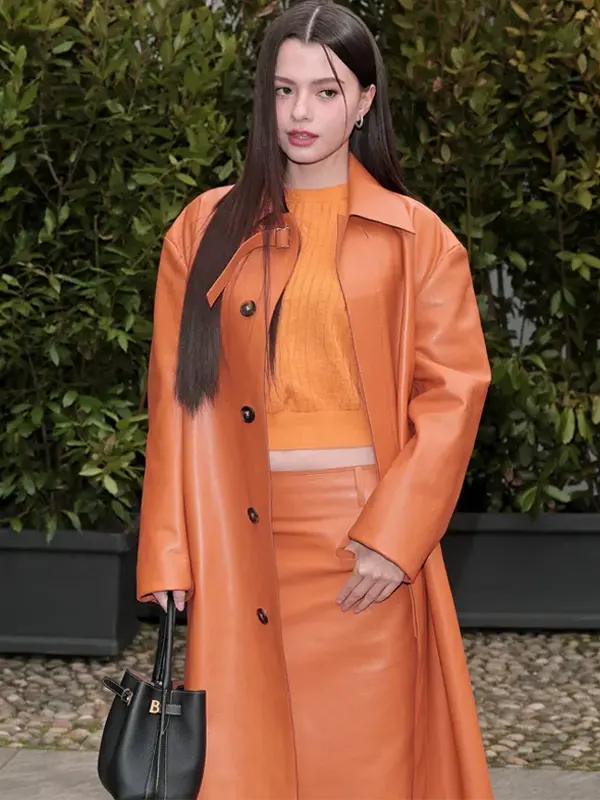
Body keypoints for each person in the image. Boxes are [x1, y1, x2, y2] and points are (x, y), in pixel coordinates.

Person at [137, 1, 493, 798]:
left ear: (364, 101)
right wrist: (168, 547)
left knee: (363, 771)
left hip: (358, 553)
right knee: (242, 771)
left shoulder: (417, 238)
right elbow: (174, 400)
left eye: (326, 92)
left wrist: (393, 540)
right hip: (235, 546)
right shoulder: (203, 230)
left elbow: (454, 393)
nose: (300, 113)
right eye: (284, 89)